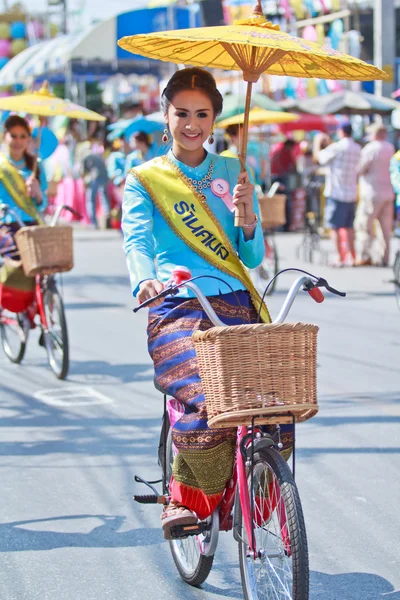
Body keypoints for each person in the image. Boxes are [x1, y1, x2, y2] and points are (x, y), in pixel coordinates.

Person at [122, 67, 292, 539]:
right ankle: (186, 497)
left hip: (237, 299)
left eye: (202, 114)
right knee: (207, 394)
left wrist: (249, 216)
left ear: (215, 119)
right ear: (166, 114)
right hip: (177, 304)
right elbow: (136, 240)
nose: (192, 123)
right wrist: (144, 282)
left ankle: (250, 494)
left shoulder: (233, 171)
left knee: (271, 405)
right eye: (182, 113)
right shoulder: (145, 178)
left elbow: (251, 257)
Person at [318, 123, 361, 266]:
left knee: (335, 227)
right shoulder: (357, 148)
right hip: (351, 192)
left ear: (341, 131)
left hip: (337, 192)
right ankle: (352, 256)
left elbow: (320, 158)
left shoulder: (337, 147)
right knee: (349, 227)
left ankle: (339, 257)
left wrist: (319, 143)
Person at [354, 124, 395, 267]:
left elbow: (360, 169)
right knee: (385, 228)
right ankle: (384, 257)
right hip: (388, 192)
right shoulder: (390, 147)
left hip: (371, 192)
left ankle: (365, 255)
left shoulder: (371, 148)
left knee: (364, 224)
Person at [0, 115, 48, 230]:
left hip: (31, 226)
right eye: (13, 136)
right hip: (4, 227)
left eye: (23, 136)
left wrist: (37, 192)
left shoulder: (36, 166)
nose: (18, 141)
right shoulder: (2, 165)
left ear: (28, 139)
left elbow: (43, 205)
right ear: (4, 136)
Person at [81, 140, 111, 228]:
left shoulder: (85, 156)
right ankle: (107, 217)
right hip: (103, 177)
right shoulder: (98, 155)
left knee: (91, 200)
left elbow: (83, 171)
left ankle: (94, 222)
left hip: (93, 178)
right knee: (104, 198)